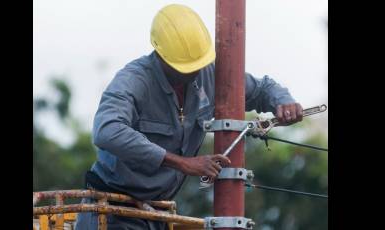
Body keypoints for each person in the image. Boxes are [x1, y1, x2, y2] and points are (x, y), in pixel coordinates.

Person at [75, 4, 303, 230]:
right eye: (183, 68)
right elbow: (107, 131)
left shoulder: (207, 74)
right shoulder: (133, 81)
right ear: (161, 55)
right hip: (112, 212)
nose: (192, 72)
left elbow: (261, 88)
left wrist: (282, 101)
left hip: (157, 214)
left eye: (197, 65)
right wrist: (183, 163)